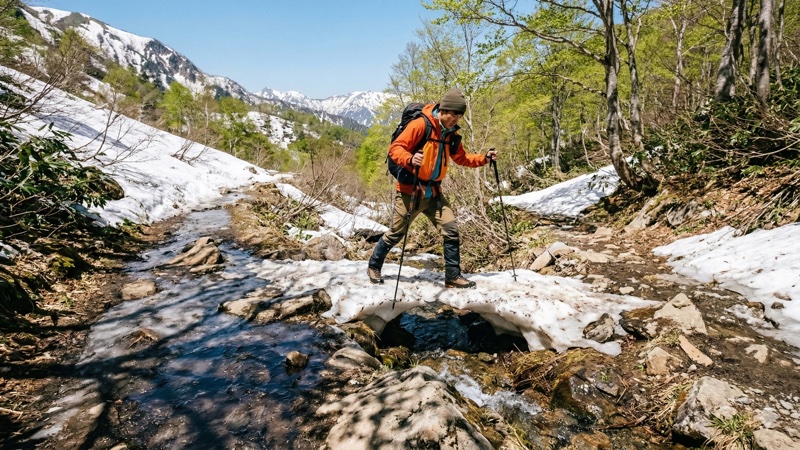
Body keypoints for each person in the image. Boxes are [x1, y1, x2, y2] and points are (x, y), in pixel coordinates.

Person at [367, 87, 498, 288]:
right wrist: (410, 158)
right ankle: (374, 266)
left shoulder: (451, 134)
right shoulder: (421, 125)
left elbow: (462, 158)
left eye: (460, 116)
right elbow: (395, 149)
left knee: (451, 230)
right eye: (453, 115)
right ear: (444, 111)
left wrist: (484, 159)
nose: (456, 119)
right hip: (410, 192)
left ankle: (452, 276)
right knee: (396, 233)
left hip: (434, 194)